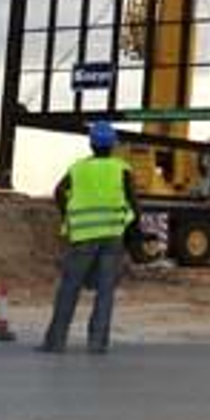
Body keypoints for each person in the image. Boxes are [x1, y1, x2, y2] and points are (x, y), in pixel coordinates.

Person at [38, 121, 139, 354]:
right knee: (105, 291)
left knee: (69, 288)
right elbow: (134, 203)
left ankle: (55, 342)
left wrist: (69, 217)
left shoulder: (78, 168)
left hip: (83, 236)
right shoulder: (121, 168)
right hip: (113, 235)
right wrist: (135, 235)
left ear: (91, 144)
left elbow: (58, 192)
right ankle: (97, 343)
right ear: (113, 144)